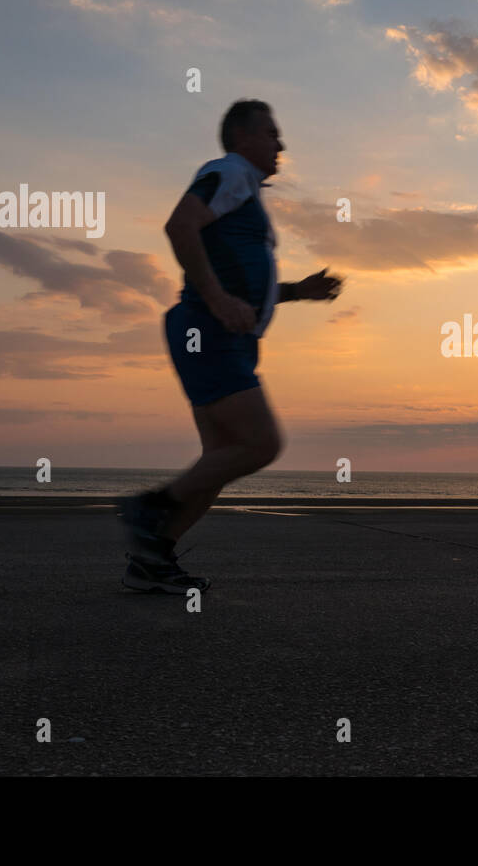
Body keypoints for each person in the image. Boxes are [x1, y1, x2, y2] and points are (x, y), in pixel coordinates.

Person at [118, 100, 343, 592]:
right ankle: (149, 507)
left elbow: (243, 280)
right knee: (261, 443)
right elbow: (179, 226)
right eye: (271, 133)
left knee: (220, 456)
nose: (280, 144)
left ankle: (151, 562)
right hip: (208, 329)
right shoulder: (230, 171)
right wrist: (217, 301)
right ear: (242, 137)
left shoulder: (243, 191)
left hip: (219, 334)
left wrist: (297, 292)